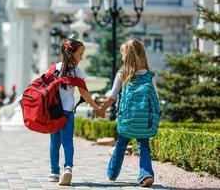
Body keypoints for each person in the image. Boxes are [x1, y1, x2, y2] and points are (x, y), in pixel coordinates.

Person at [96, 39, 159, 187]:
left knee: (121, 145)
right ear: (142, 54)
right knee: (144, 146)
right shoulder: (150, 75)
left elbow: (112, 96)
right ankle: (146, 174)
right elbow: (155, 98)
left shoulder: (122, 74)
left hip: (127, 119)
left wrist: (102, 110)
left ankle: (112, 173)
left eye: (122, 54)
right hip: (145, 121)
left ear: (126, 56)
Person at [49, 38, 100, 186]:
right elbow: (84, 93)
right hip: (67, 112)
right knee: (67, 141)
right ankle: (68, 168)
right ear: (71, 54)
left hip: (53, 112)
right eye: (80, 54)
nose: (82, 57)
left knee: (54, 143)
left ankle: (54, 172)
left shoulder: (54, 69)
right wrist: (96, 107)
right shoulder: (77, 71)